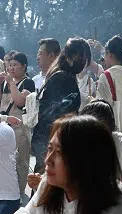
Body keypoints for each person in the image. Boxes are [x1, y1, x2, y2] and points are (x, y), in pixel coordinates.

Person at [31, 38, 87, 171]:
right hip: (54, 141)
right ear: (68, 56)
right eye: (80, 58)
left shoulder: (59, 75)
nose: (82, 63)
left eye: (85, 60)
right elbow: (61, 114)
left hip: (49, 141)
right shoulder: (64, 78)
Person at [0, 51, 36, 200]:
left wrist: (11, 83)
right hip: (4, 124)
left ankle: (18, 193)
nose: (11, 68)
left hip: (20, 127)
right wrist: (0, 84)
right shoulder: (6, 82)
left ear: (24, 66)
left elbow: (19, 102)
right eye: (10, 65)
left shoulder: (28, 82)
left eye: (15, 65)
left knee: (20, 160)